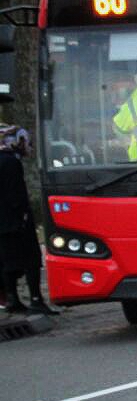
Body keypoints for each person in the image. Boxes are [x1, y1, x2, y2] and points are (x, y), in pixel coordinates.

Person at [0, 125, 57, 315]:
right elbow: (16, 194)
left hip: (3, 222)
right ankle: (35, 299)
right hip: (17, 221)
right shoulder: (11, 162)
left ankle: (12, 298)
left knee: (7, 261)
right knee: (31, 259)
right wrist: (23, 215)